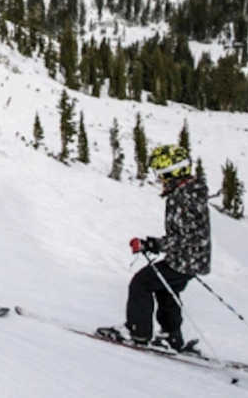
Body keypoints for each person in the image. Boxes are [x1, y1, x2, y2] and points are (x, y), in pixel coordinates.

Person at [99, 144, 211, 351]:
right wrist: (155, 244)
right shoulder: (188, 192)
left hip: (185, 258)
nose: (158, 177)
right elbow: (185, 235)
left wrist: (153, 245)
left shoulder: (182, 197)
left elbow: (184, 237)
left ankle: (137, 332)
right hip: (192, 257)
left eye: (160, 171)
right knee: (166, 290)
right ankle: (171, 337)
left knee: (141, 283)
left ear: (171, 170)